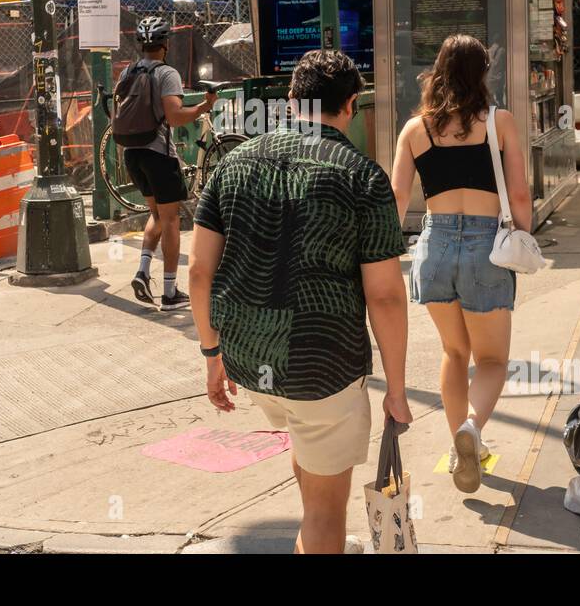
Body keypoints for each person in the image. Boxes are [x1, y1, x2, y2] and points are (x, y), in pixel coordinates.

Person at [189, 50, 411, 554]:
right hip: (322, 365)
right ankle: (320, 535)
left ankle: (311, 539)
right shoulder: (362, 177)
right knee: (328, 509)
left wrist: (210, 355)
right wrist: (395, 389)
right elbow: (386, 296)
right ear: (351, 105)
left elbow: (200, 271)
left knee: (304, 444)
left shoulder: (233, 163)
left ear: (291, 101)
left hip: (249, 359)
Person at [390, 34, 531, 494]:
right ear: (481, 74)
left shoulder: (415, 130)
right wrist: (522, 238)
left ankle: (457, 448)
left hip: (433, 247)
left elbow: (397, 196)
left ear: (439, 71)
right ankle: (471, 429)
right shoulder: (500, 122)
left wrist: (383, 256)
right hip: (486, 246)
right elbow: (521, 194)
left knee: (455, 353)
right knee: (492, 359)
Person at [120, 15, 216, 311]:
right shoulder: (167, 73)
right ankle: (170, 291)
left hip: (131, 153)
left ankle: (142, 271)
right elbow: (174, 116)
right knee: (172, 220)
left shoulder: (128, 71)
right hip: (158, 155)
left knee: (157, 216)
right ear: (165, 45)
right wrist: (203, 107)